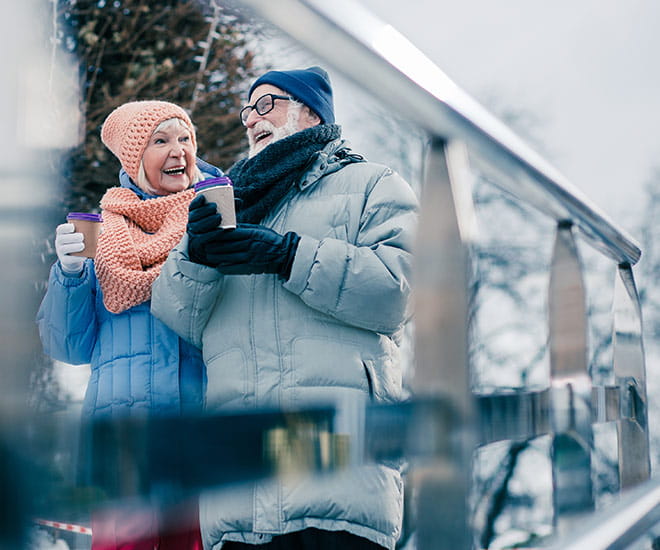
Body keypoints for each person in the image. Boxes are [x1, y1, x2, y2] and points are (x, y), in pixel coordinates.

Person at [151, 67, 419, 550]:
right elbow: (178, 318)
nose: (252, 119)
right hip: (237, 498)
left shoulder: (372, 184)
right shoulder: (225, 205)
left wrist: (289, 255)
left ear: (310, 110)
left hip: (339, 484)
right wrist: (196, 255)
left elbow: (399, 292)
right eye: (247, 110)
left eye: (267, 104)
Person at [37, 100, 223, 550]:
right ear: (132, 157)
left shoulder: (215, 215)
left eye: (185, 138)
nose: (178, 150)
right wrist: (71, 274)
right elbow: (68, 347)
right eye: (160, 140)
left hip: (198, 435)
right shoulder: (102, 233)